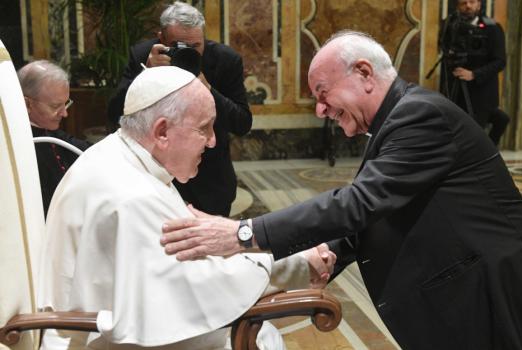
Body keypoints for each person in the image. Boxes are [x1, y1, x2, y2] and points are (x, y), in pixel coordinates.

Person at [160, 31, 522, 350]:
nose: (320, 109)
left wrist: (241, 234)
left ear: (365, 74)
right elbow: (377, 210)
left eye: (322, 92)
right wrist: (329, 252)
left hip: (508, 300)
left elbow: (359, 202)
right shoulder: (396, 119)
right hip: (474, 301)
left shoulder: (422, 115)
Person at [39, 66, 335, 350]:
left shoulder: (121, 157)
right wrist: (292, 264)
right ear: (162, 131)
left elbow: (187, 265)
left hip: (110, 326)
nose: (213, 141)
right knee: (261, 339)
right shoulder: (131, 195)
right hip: (108, 340)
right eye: (204, 128)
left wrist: (259, 248)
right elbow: (195, 292)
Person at [107, 1, 251, 216]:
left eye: (195, 46)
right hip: (153, 176)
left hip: (209, 179)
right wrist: (145, 73)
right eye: (179, 46)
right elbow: (114, 115)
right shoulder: (144, 56)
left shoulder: (225, 60)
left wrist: (207, 89)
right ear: (161, 39)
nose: (189, 53)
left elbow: (242, 123)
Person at [17, 60, 90, 217]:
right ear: (26, 104)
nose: (65, 114)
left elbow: (81, 147)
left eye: (66, 104)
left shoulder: (48, 129)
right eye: (56, 106)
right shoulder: (15, 145)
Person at [440, 0, 510, 145]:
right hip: (456, 91)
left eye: (472, 1)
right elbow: (444, 50)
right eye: (463, 3)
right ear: (457, 5)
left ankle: (485, 158)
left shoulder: (492, 28)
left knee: (474, 137)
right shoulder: (450, 25)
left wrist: (474, 74)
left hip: (482, 93)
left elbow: (500, 61)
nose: (468, 6)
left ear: (479, 4)